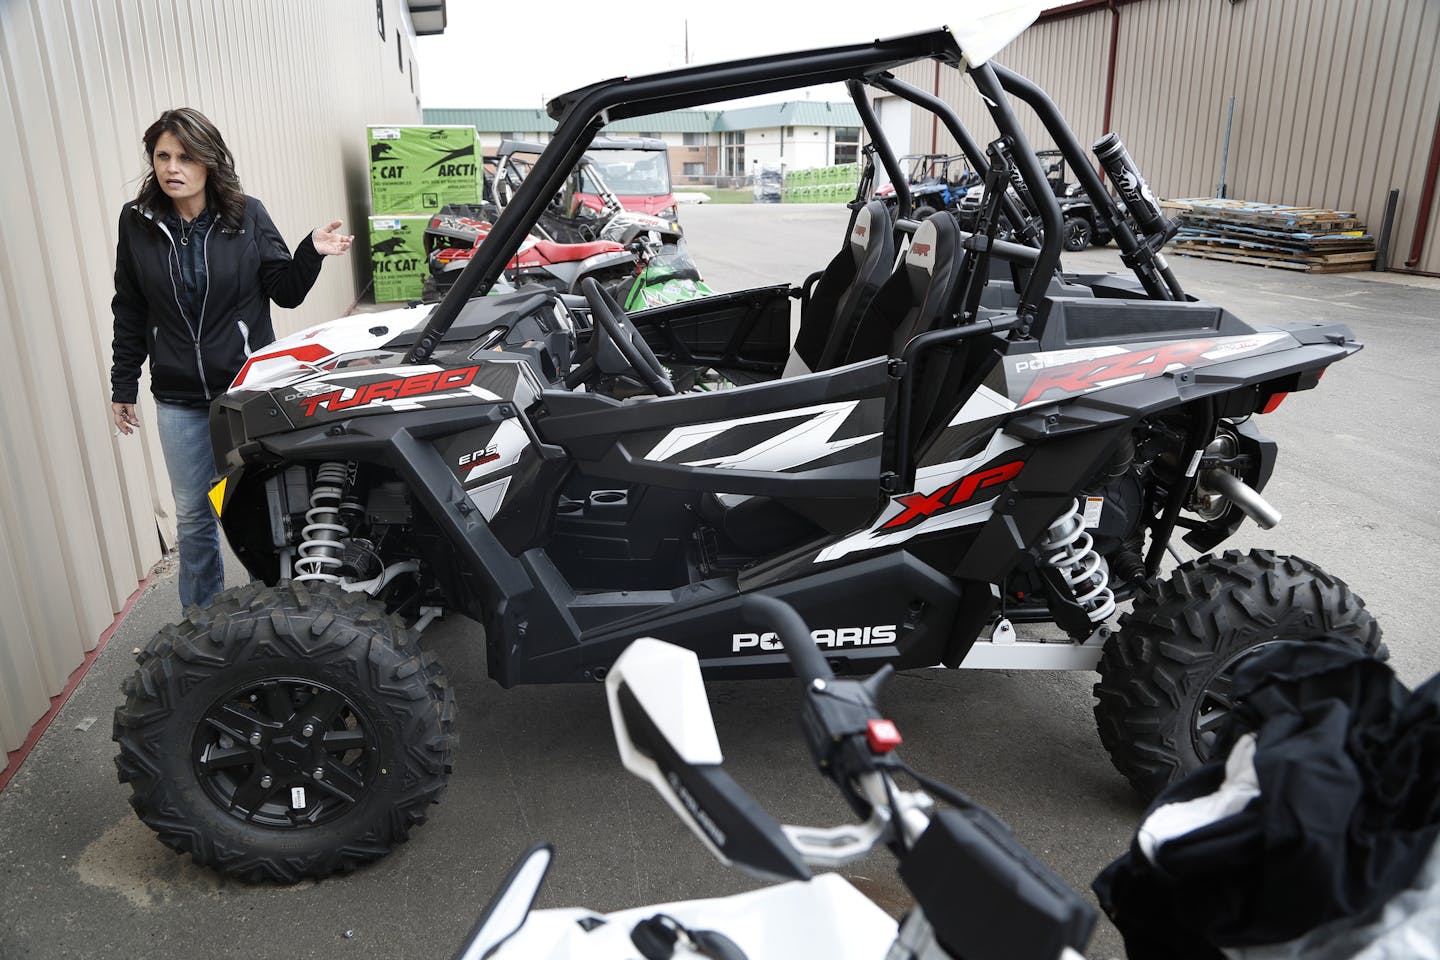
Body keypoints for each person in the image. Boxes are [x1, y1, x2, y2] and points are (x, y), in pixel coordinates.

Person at [110, 107, 352, 611]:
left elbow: (283, 292)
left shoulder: (246, 215)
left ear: (209, 162)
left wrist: (310, 251)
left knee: (260, 510)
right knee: (195, 517)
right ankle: (200, 626)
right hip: (178, 398)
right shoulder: (137, 223)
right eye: (162, 156)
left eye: (185, 157)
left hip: (246, 390)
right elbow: (130, 307)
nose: (172, 167)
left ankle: (276, 617)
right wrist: (123, 384)